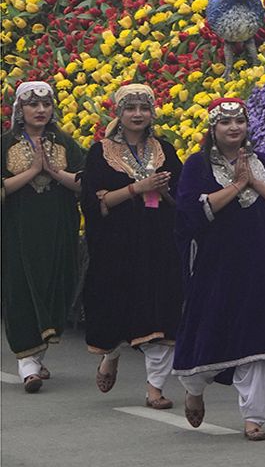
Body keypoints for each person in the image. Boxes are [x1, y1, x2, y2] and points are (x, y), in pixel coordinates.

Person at [173, 98, 265, 440]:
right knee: (209, 328)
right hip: (217, 266)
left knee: (262, 339)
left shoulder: (263, 163)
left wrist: (255, 182)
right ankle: (195, 388)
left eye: (239, 122)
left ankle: (253, 418)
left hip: (263, 264)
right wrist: (235, 186)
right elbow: (189, 213)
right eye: (225, 123)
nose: (233, 128)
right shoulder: (198, 165)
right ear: (212, 129)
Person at [81, 83, 184, 410]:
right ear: (119, 113)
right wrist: (137, 188)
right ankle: (110, 355)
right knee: (115, 310)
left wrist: (163, 190)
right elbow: (93, 201)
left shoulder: (165, 149)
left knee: (161, 315)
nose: (138, 114)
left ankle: (155, 388)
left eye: (144, 108)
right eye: (130, 108)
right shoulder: (100, 152)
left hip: (159, 245)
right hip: (116, 248)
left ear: (152, 112)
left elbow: (180, 199)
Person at [2, 81, 84, 393]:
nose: (40, 110)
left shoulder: (64, 142)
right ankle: (28, 366)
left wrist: (53, 172)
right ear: (20, 110)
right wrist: (31, 170)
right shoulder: (5, 144)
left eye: (46, 104)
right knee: (21, 287)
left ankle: (36, 356)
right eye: (33, 105)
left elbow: (84, 182)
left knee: (55, 286)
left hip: (58, 229)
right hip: (18, 232)